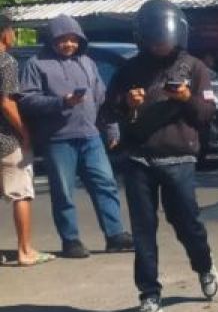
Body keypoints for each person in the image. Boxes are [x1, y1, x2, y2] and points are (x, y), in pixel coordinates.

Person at [100, 0, 218, 312]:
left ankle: (204, 266)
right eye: (153, 42)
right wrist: (126, 102)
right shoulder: (129, 70)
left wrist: (186, 99)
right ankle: (149, 296)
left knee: (187, 224)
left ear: (177, 36)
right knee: (143, 231)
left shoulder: (194, 68)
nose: (159, 47)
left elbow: (207, 113)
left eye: (163, 41)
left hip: (179, 158)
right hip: (139, 158)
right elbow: (108, 111)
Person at [19, 15, 134, 258]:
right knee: (63, 192)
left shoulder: (87, 62)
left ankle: (115, 235)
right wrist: (61, 102)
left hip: (91, 137)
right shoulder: (36, 64)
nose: (68, 44)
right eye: (62, 40)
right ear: (52, 40)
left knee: (105, 185)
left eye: (73, 40)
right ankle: (70, 241)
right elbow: (27, 100)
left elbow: (101, 98)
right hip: (57, 140)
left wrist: (111, 128)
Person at [0, 13, 52, 266]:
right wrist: (25, 133)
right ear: (5, 33)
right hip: (6, 141)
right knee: (20, 193)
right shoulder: (6, 62)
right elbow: (7, 104)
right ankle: (24, 251)